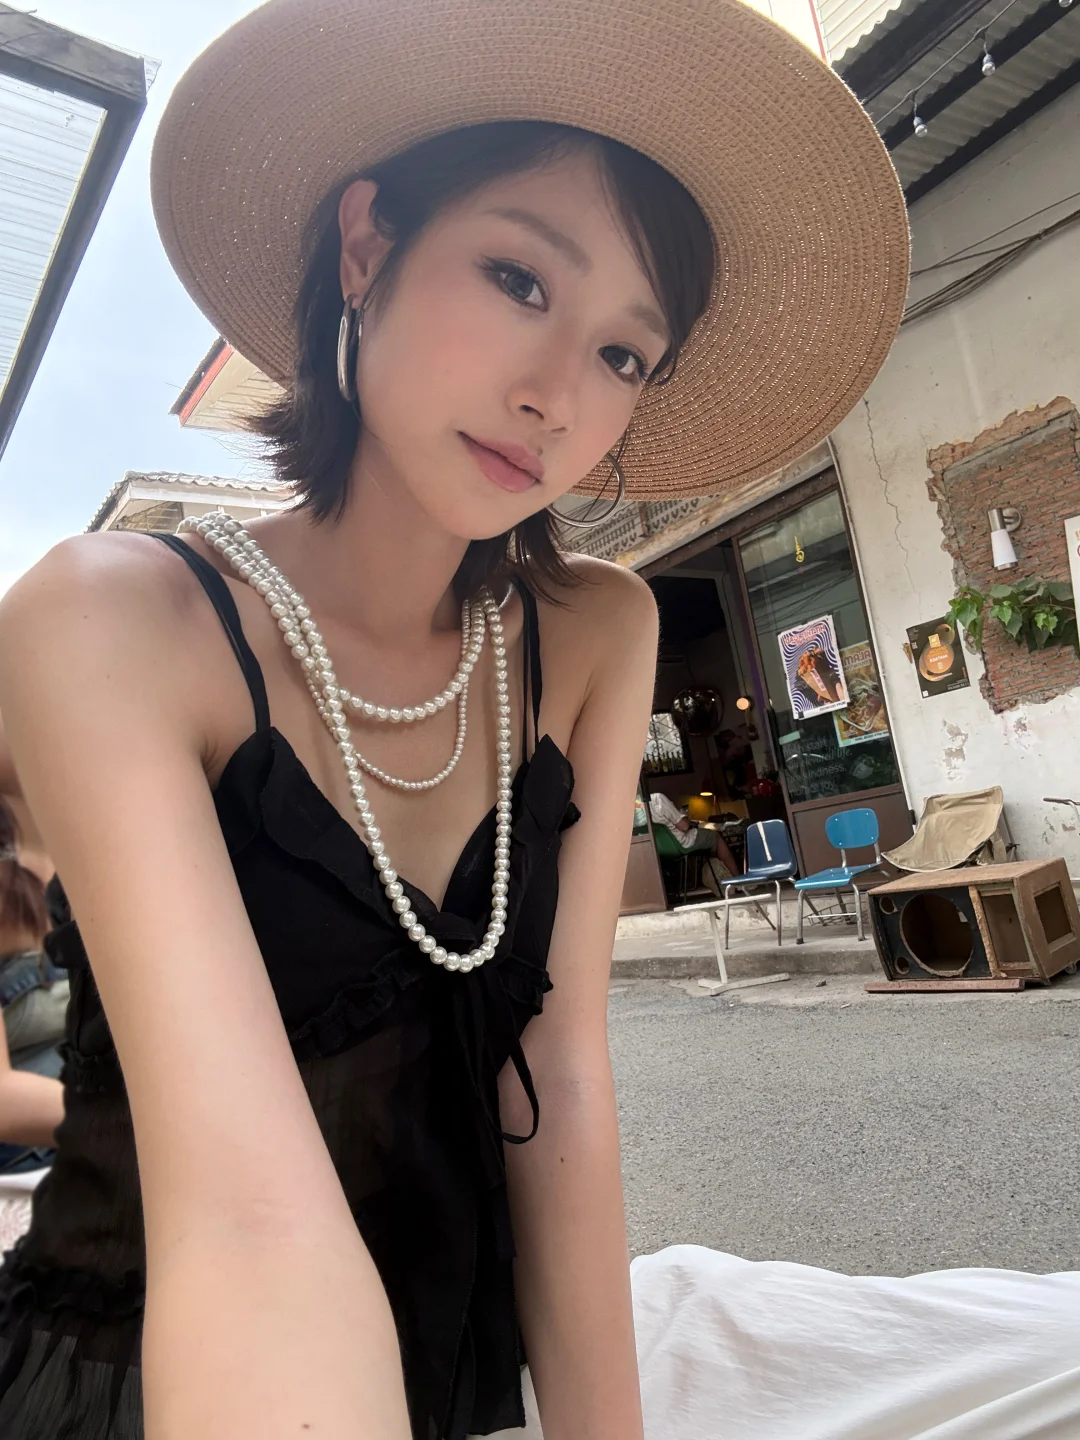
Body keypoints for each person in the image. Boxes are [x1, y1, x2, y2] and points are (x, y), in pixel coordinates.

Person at [0, 2, 908, 1437]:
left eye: (625, 355)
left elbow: (558, 1080)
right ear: (366, 246)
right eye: (516, 276)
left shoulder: (595, 635)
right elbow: (247, 1219)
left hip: (449, 1381)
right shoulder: (113, 621)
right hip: (151, 1376)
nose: (555, 397)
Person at [647, 790, 738, 889]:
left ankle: (717, 879)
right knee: (716, 836)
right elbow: (684, 826)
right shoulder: (657, 799)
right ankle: (737, 879)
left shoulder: (637, 808)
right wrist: (685, 816)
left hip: (660, 849)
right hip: (682, 842)